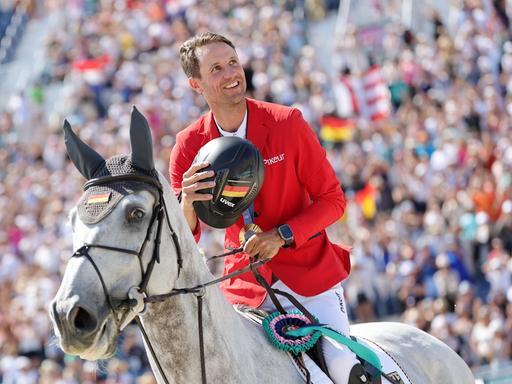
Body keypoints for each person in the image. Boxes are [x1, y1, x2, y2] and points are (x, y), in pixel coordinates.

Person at [169, 32, 365, 384]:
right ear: (196, 84)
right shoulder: (187, 146)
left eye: (232, 62)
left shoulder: (286, 122)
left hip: (309, 275)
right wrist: (185, 200)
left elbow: (333, 200)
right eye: (216, 68)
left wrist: (283, 235)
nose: (231, 73)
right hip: (244, 289)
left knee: (342, 368)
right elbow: (184, 238)